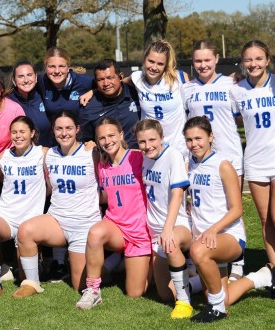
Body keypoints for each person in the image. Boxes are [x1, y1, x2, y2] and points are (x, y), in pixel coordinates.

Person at [184, 116, 275, 322]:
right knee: (223, 296)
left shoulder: (223, 164)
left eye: (199, 138)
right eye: (189, 140)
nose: (194, 144)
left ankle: (217, 309)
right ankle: (264, 276)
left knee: (198, 253)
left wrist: (212, 230)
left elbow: (237, 209)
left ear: (211, 137)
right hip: (206, 238)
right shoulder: (190, 164)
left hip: (228, 236)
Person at [229, 40, 275, 294]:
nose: (253, 64)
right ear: (242, 62)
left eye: (258, 59)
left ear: (268, 60)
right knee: (265, 220)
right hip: (255, 161)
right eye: (248, 60)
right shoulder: (236, 90)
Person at [15, 111, 101, 298]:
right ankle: (32, 283)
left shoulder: (91, 153)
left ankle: (109, 267)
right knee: (25, 230)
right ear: (53, 131)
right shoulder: (49, 154)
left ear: (77, 129)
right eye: (59, 128)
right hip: (57, 220)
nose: (64, 133)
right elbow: (46, 186)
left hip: (83, 223)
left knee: (80, 286)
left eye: (69, 128)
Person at [183, 39, 246, 281]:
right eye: (197, 61)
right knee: (200, 207)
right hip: (199, 156)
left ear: (217, 59)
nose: (202, 65)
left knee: (232, 208)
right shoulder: (186, 89)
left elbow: (242, 116)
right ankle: (204, 260)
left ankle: (238, 263)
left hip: (228, 155)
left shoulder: (231, 84)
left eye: (207, 60)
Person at [76, 117, 150, 309]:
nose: (107, 141)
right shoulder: (102, 165)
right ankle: (93, 291)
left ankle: (120, 261)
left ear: (121, 135)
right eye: (102, 138)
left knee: (135, 293)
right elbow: (105, 195)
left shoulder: (138, 157)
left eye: (111, 135)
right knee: (95, 233)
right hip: (115, 226)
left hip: (140, 232)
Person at [0, 116, 47, 298]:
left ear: (32, 133)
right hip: (7, 215)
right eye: (14, 132)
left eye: (22, 132)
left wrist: (91, 146)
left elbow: (68, 156)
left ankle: (33, 278)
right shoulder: (5, 156)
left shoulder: (43, 153)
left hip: (30, 219)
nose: (18, 136)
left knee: (24, 277)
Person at [136, 119, 193, 318]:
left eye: (152, 140)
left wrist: (168, 229)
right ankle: (198, 279)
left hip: (176, 224)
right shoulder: (144, 157)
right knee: (164, 294)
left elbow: (178, 193)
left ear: (162, 137)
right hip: (154, 232)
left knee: (171, 243)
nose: (147, 146)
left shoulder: (173, 155)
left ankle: (185, 303)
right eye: (142, 142)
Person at [126, 40, 188, 156]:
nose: (154, 67)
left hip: (178, 148)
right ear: (144, 59)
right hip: (151, 149)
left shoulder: (178, 78)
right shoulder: (136, 78)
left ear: (166, 65)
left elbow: (201, 85)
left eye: (160, 64)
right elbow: (115, 85)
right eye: (151, 61)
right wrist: (92, 91)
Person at [79, 59, 141, 147]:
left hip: (141, 155)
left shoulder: (138, 93)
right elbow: (84, 140)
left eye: (110, 78)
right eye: (100, 79)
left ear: (121, 76)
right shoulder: (88, 108)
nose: (106, 83)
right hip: (108, 159)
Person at [6, 61, 50, 142]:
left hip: (47, 151)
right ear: (14, 80)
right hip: (21, 152)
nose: (26, 80)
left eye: (29, 75)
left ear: (36, 77)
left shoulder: (43, 94)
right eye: (20, 76)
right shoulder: (7, 102)